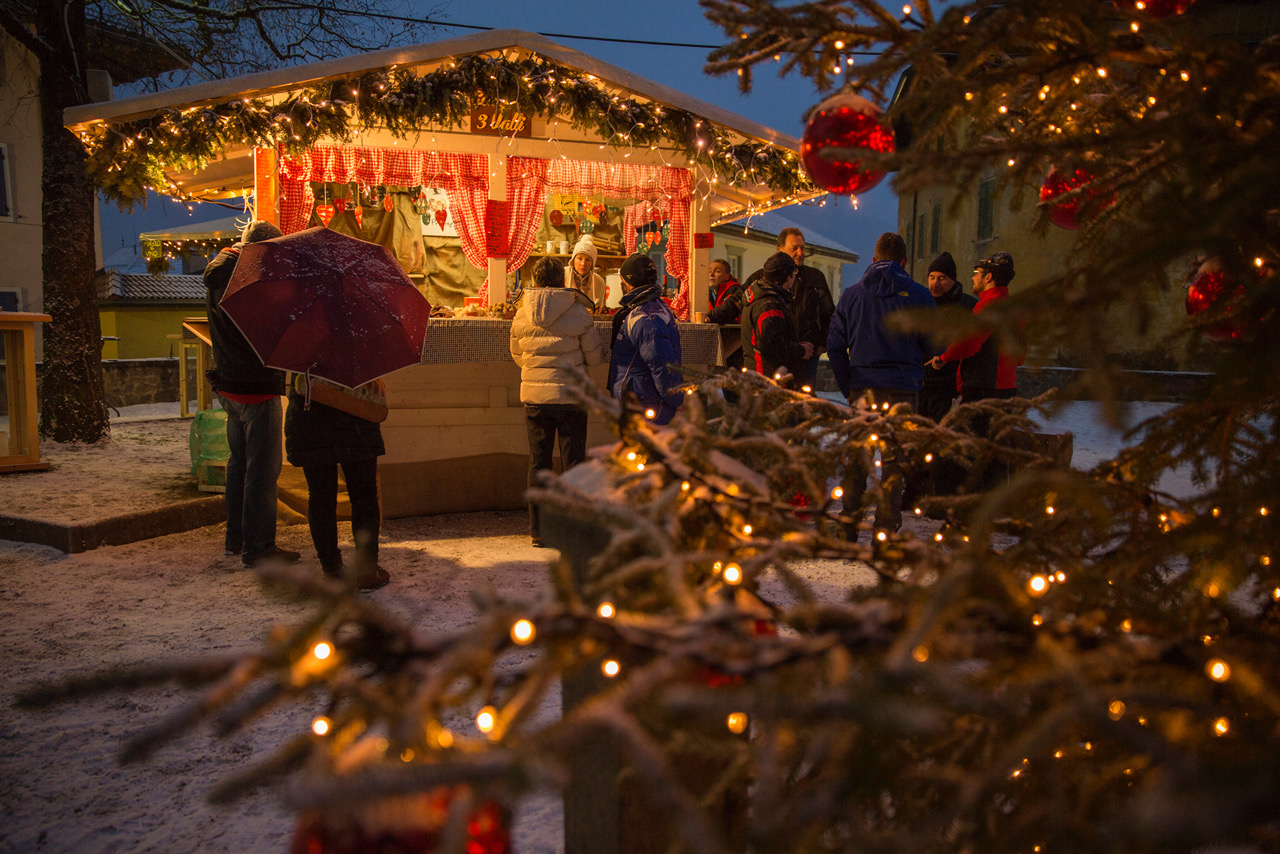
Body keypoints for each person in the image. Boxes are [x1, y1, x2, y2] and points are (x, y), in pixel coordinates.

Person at [203, 220, 301, 569]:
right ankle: (259, 549)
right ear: (261, 249)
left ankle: (237, 538)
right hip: (256, 387)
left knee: (240, 466)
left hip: (229, 384)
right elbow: (263, 332)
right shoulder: (247, 276)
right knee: (261, 472)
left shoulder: (221, 272)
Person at [826, 232, 936, 538]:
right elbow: (935, 342)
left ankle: (848, 524)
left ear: (873, 259)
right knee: (893, 465)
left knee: (857, 461)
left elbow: (835, 345)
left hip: (863, 388)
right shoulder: (919, 296)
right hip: (903, 389)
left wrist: (848, 384)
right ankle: (885, 531)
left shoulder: (851, 295)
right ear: (904, 262)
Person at [511, 256, 605, 546]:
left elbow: (517, 356)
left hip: (536, 398)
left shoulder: (521, 312)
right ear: (561, 278)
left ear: (536, 280)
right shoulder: (579, 311)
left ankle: (537, 530)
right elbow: (595, 358)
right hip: (571, 398)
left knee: (539, 463)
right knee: (574, 463)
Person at [285, 377, 390, 590]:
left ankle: (332, 570)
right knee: (364, 497)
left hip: (310, 419)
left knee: (321, 497)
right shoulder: (360, 347)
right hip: (357, 420)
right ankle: (367, 571)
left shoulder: (299, 349)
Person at [742, 227, 834, 387]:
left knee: (803, 399)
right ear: (780, 250)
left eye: (803, 248)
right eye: (794, 248)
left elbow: (829, 312)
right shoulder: (762, 278)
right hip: (778, 356)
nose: (801, 252)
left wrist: (822, 343)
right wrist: (713, 316)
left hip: (808, 353)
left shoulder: (815, 277)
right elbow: (739, 300)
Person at [928, 251, 1021, 402]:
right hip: (1007, 387)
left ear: (988, 277)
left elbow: (969, 342)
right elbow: (1021, 354)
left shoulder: (987, 306)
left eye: (977, 272)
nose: (973, 277)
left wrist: (944, 357)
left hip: (983, 388)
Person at [608, 253, 683, 425]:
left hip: (644, 403)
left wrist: (674, 399)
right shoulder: (648, 307)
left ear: (628, 282)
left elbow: (661, 365)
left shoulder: (645, 316)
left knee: (645, 450)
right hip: (642, 398)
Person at [919, 251, 979, 421]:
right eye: (932, 277)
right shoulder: (920, 305)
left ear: (953, 279)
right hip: (921, 386)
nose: (935, 283)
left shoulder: (968, 308)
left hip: (950, 389)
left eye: (942, 278)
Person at [741, 251, 813, 381]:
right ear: (788, 277)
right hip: (767, 379)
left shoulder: (759, 297)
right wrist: (801, 350)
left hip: (757, 375)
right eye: (794, 274)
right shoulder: (769, 305)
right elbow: (772, 345)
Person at [706, 258, 746, 369]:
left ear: (727, 276)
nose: (712, 274)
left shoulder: (734, 291)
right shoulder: (707, 292)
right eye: (709, 271)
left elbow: (729, 314)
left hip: (734, 342)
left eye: (717, 271)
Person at [564, 234, 607, 308]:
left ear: (592, 263)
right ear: (573, 260)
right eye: (580, 258)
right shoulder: (562, 275)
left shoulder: (599, 282)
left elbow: (597, 309)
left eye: (588, 260)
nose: (583, 264)